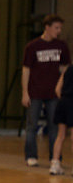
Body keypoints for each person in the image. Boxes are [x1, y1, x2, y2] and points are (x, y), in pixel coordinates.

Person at [22, 14, 71, 166]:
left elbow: (65, 69)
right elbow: (26, 69)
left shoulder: (62, 46)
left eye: (60, 28)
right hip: (35, 91)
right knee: (32, 125)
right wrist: (25, 92)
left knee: (54, 127)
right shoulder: (33, 46)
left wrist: (64, 88)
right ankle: (31, 156)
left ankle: (54, 157)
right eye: (56, 28)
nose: (59, 31)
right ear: (47, 28)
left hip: (53, 93)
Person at [50, 66, 73, 175]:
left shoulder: (67, 70)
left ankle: (54, 165)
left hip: (63, 103)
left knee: (60, 135)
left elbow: (57, 89)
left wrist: (65, 99)